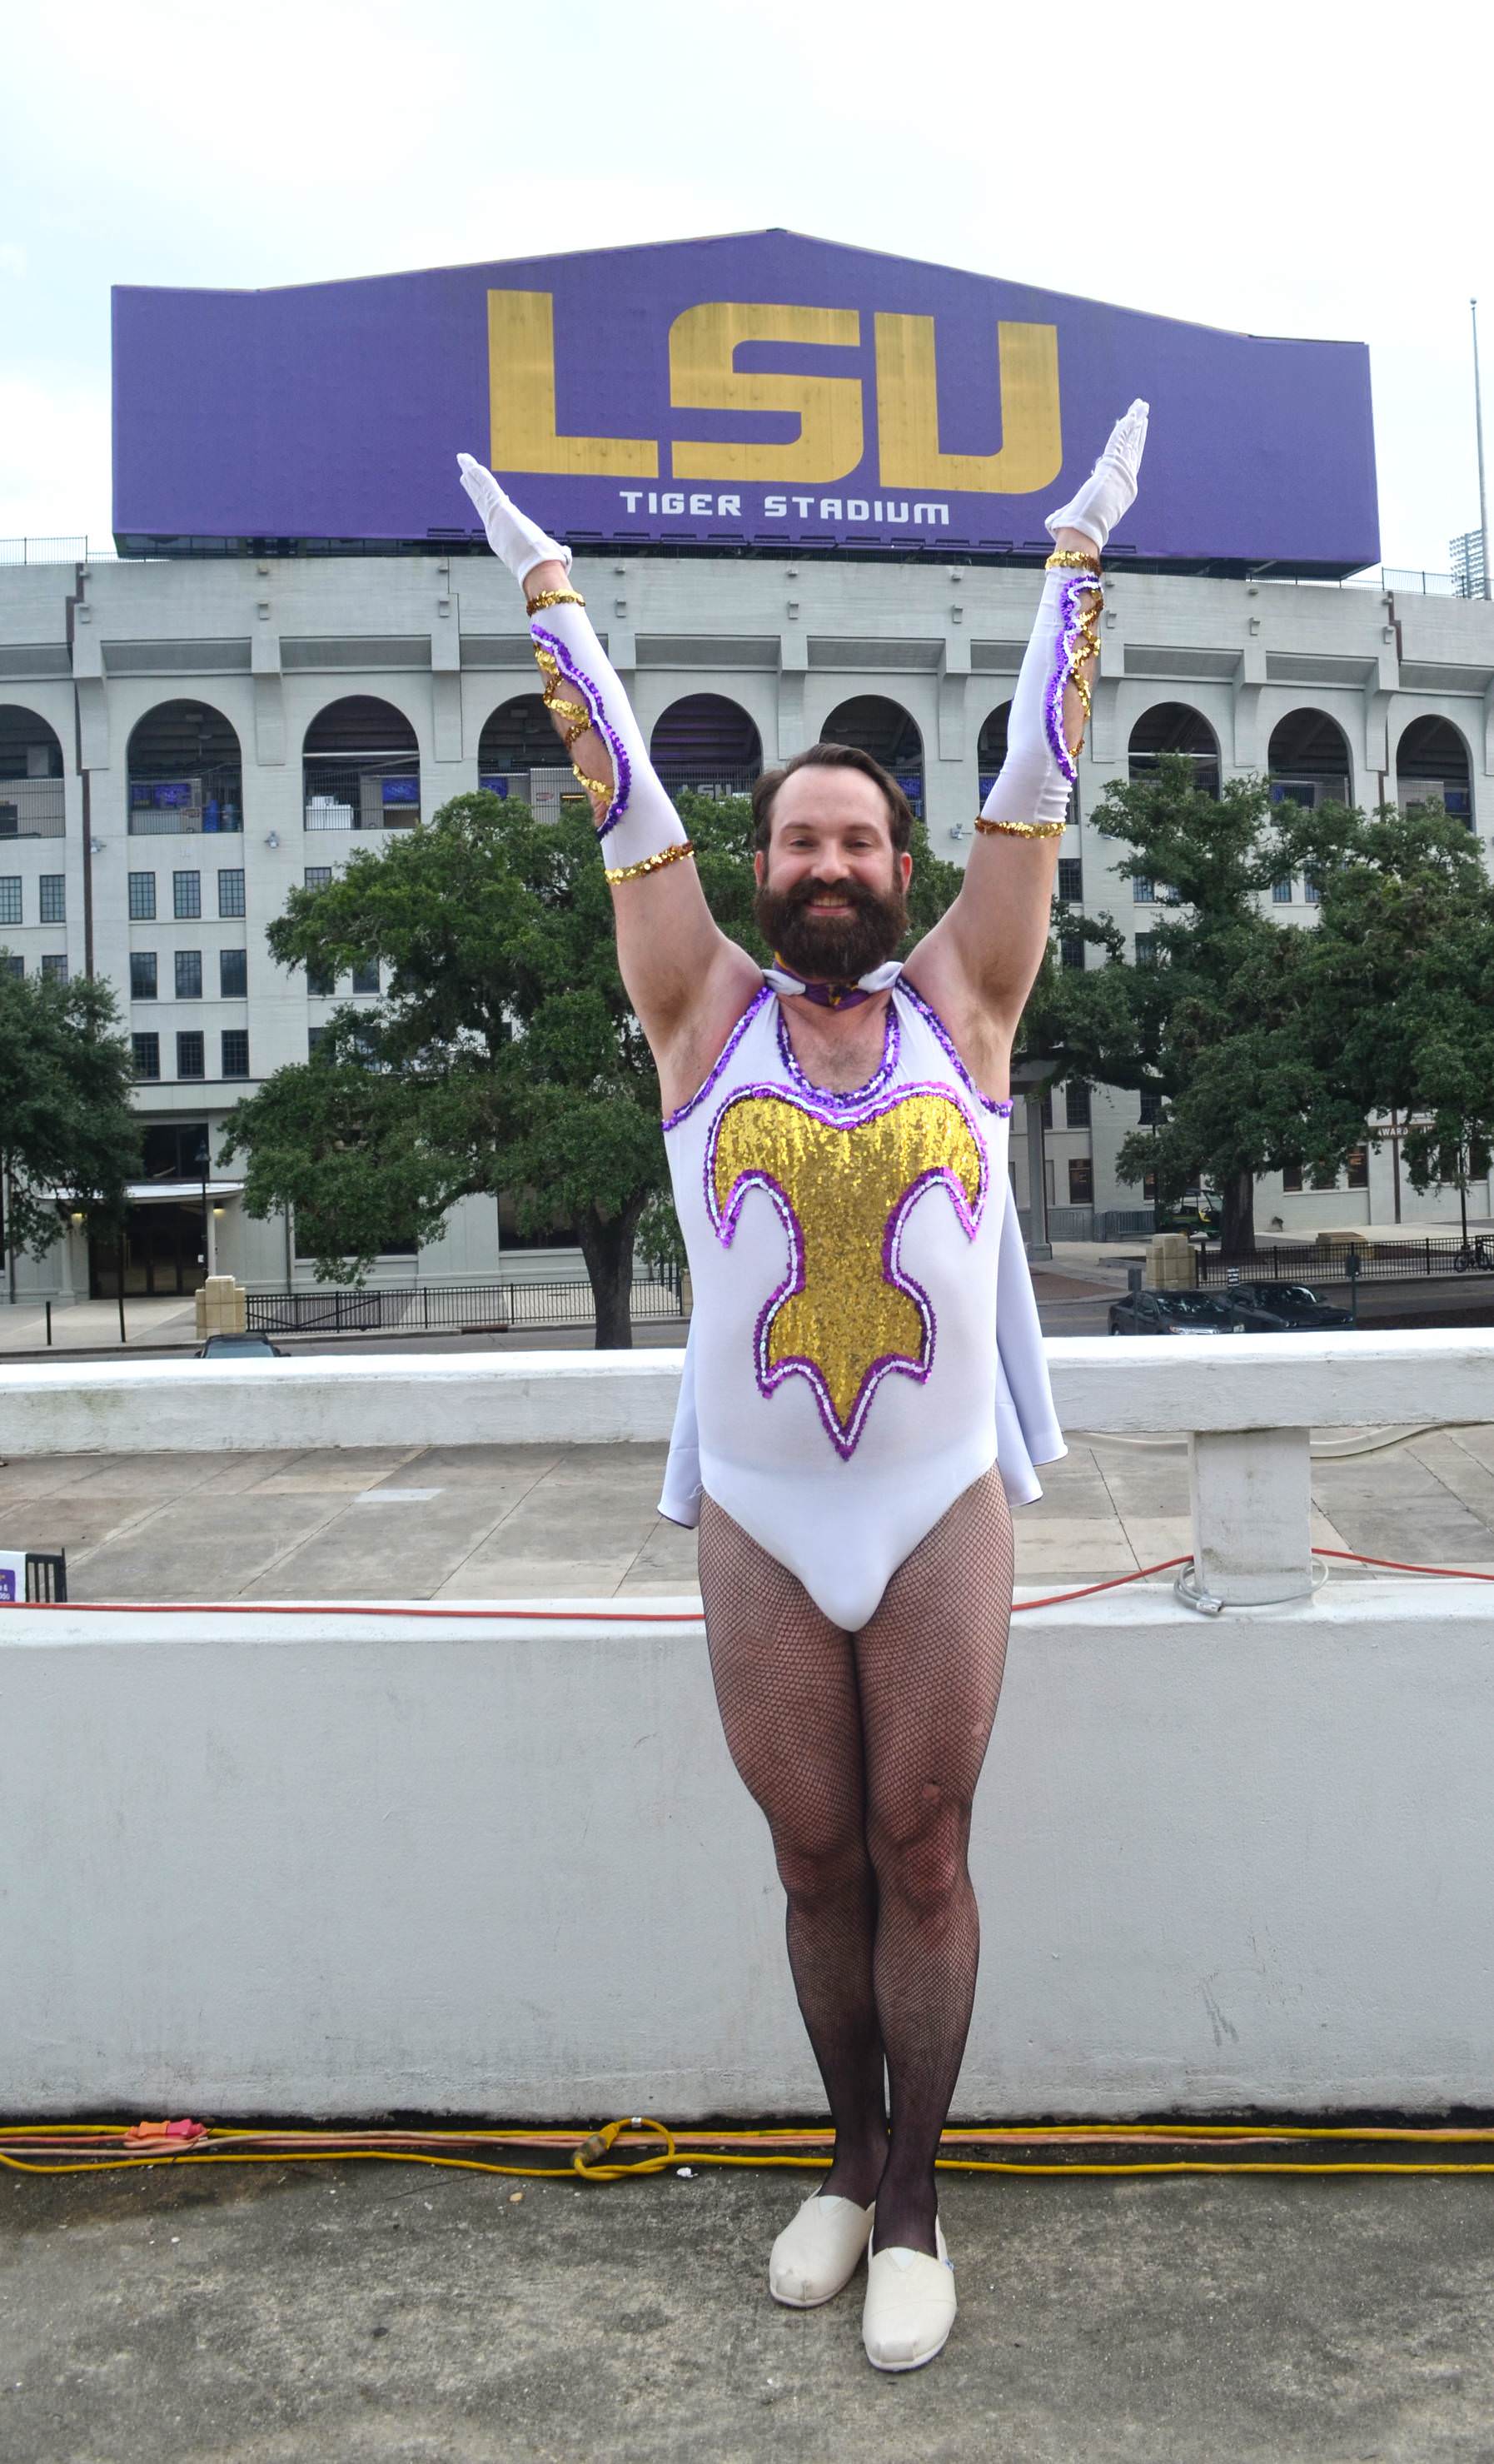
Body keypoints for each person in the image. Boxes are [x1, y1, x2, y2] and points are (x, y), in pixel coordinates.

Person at [458, 402, 1148, 2371]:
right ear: (758, 868)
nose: (829, 863)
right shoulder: (696, 1017)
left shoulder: (967, 1004)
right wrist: (549, 594)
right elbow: (620, 808)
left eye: (859, 838)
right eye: (798, 839)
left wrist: (1075, 567)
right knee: (813, 1858)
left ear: (900, 862)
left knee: (927, 1852)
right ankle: (845, 2166)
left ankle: (923, 2200)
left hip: (934, 1504)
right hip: (765, 1515)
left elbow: (1038, 777)